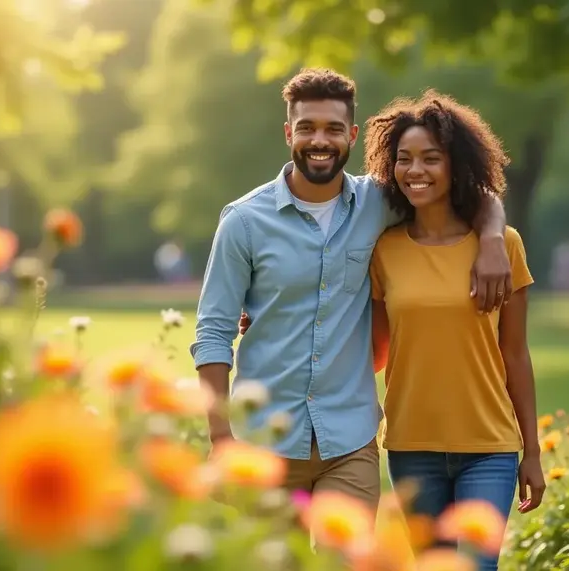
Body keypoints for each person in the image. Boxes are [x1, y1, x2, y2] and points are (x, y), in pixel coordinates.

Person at [189, 68, 513, 518]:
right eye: (307, 128)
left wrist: (494, 239)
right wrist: (221, 440)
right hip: (264, 442)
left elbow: (470, 194)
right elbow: (213, 333)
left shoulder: (381, 203)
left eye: (333, 129)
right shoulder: (243, 223)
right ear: (288, 133)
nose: (319, 140)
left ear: (352, 135)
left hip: (349, 442)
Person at [364, 90, 544, 570]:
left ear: (456, 164)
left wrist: (533, 452)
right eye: (404, 159)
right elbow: (376, 352)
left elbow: (517, 356)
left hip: (489, 449)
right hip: (411, 446)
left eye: (430, 158)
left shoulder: (503, 245)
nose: (415, 170)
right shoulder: (383, 250)